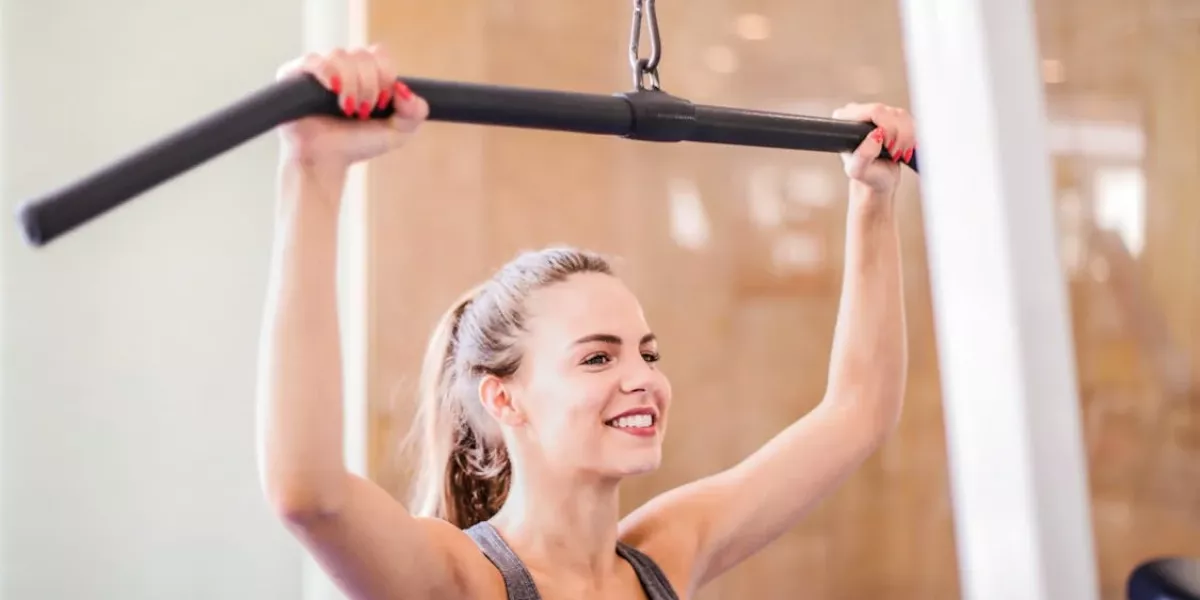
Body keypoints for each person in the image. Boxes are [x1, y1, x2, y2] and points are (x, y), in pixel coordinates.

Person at [256, 45, 913, 600]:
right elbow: (309, 495)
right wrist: (313, 170)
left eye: (647, 354)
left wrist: (871, 198)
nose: (643, 380)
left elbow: (857, 411)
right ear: (504, 397)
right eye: (598, 358)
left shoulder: (666, 551)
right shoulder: (458, 578)